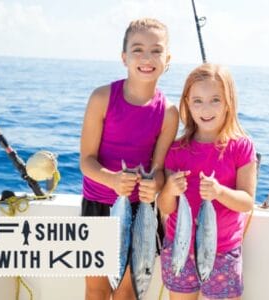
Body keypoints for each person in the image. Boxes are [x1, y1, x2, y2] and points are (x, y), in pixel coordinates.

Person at [80, 18, 179, 300]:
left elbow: (159, 170)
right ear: (124, 58)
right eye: (137, 49)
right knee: (97, 288)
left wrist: (155, 185)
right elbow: (86, 161)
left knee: (128, 291)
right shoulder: (101, 97)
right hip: (98, 206)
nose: (147, 58)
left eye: (156, 50)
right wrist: (111, 180)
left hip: (141, 213)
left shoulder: (169, 113)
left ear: (167, 59)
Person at [158, 63, 257, 300]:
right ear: (187, 104)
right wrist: (170, 189)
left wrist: (220, 192)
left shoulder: (241, 147)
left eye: (215, 99)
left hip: (222, 252)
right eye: (197, 101)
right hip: (179, 247)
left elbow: (246, 202)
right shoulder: (176, 150)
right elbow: (164, 207)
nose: (206, 108)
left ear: (228, 103)